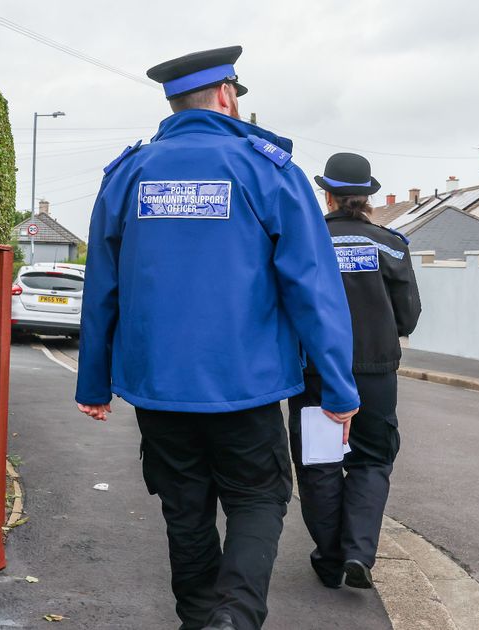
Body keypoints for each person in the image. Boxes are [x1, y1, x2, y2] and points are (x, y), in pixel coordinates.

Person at [74, 46, 360, 630]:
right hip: (246, 387)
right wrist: (339, 387)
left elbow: (101, 286)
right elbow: (313, 288)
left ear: (174, 103)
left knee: (184, 509)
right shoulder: (268, 170)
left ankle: (199, 618)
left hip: (158, 388)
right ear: (227, 95)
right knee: (258, 499)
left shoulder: (128, 173)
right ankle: (234, 617)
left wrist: (94, 383)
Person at [286, 152, 421, 591]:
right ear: (367, 198)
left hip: (316, 373)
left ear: (326, 195)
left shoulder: (305, 242)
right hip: (376, 372)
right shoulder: (390, 244)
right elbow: (408, 314)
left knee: (319, 463)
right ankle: (359, 552)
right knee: (373, 460)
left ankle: (329, 560)